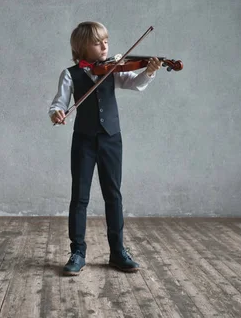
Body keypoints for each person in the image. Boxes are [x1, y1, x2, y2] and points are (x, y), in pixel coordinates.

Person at [49, 21, 162, 275]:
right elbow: (58, 103)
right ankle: (77, 252)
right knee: (79, 197)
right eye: (97, 42)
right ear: (81, 47)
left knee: (113, 194)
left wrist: (150, 72)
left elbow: (136, 83)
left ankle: (118, 252)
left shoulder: (113, 69)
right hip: (84, 140)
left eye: (106, 41)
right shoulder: (70, 74)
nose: (104, 46)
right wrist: (56, 113)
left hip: (111, 139)